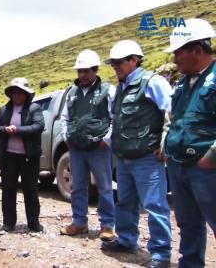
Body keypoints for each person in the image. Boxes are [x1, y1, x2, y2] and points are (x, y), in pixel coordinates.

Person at [101, 40, 172, 268]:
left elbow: (170, 110)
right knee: (125, 202)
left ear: (134, 60)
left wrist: (165, 142)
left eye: (119, 62)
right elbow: (117, 120)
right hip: (124, 158)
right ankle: (127, 240)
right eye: (113, 64)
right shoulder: (121, 88)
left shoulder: (153, 82)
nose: (115, 67)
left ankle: (161, 253)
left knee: (154, 205)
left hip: (147, 158)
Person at [164, 18, 216, 268]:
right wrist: (166, 145)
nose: (175, 59)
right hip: (178, 164)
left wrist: (212, 156)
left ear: (196, 50)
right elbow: (174, 119)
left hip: (206, 168)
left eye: (178, 52)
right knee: (188, 222)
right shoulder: (183, 82)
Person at [59, 50, 116, 241]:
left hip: (98, 148)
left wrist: (106, 139)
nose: (82, 75)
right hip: (76, 148)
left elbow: (114, 117)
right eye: (79, 71)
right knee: (78, 186)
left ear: (95, 70)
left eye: (86, 71)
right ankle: (79, 222)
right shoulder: (72, 93)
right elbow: (64, 117)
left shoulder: (108, 90)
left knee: (105, 187)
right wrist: (66, 135)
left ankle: (107, 226)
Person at [0, 77, 44, 232]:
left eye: (20, 92)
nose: (17, 95)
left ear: (26, 94)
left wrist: (18, 130)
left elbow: (38, 126)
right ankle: (8, 223)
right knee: (8, 189)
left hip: (29, 157)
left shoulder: (35, 109)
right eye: (14, 92)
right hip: (8, 157)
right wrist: (6, 129)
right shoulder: (4, 110)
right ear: (11, 94)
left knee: (31, 189)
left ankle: (33, 223)